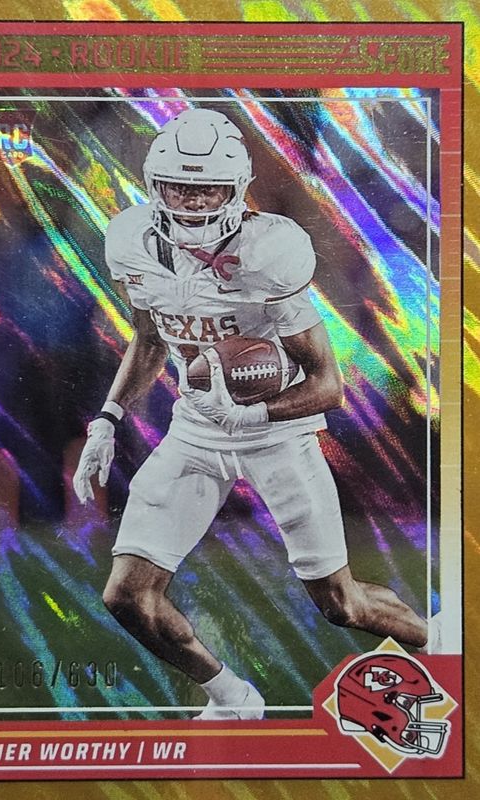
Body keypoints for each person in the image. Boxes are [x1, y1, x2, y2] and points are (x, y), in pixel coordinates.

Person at [73, 108, 437, 720]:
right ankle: (232, 699)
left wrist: (254, 416)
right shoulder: (131, 239)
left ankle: (437, 640)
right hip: (195, 431)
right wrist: (107, 420)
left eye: (208, 189)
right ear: (154, 185)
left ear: (237, 189)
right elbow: (151, 338)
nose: (192, 201)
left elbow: (327, 386)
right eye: (178, 187)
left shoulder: (269, 250)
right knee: (128, 597)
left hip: (279, 435)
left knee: (341, 605)